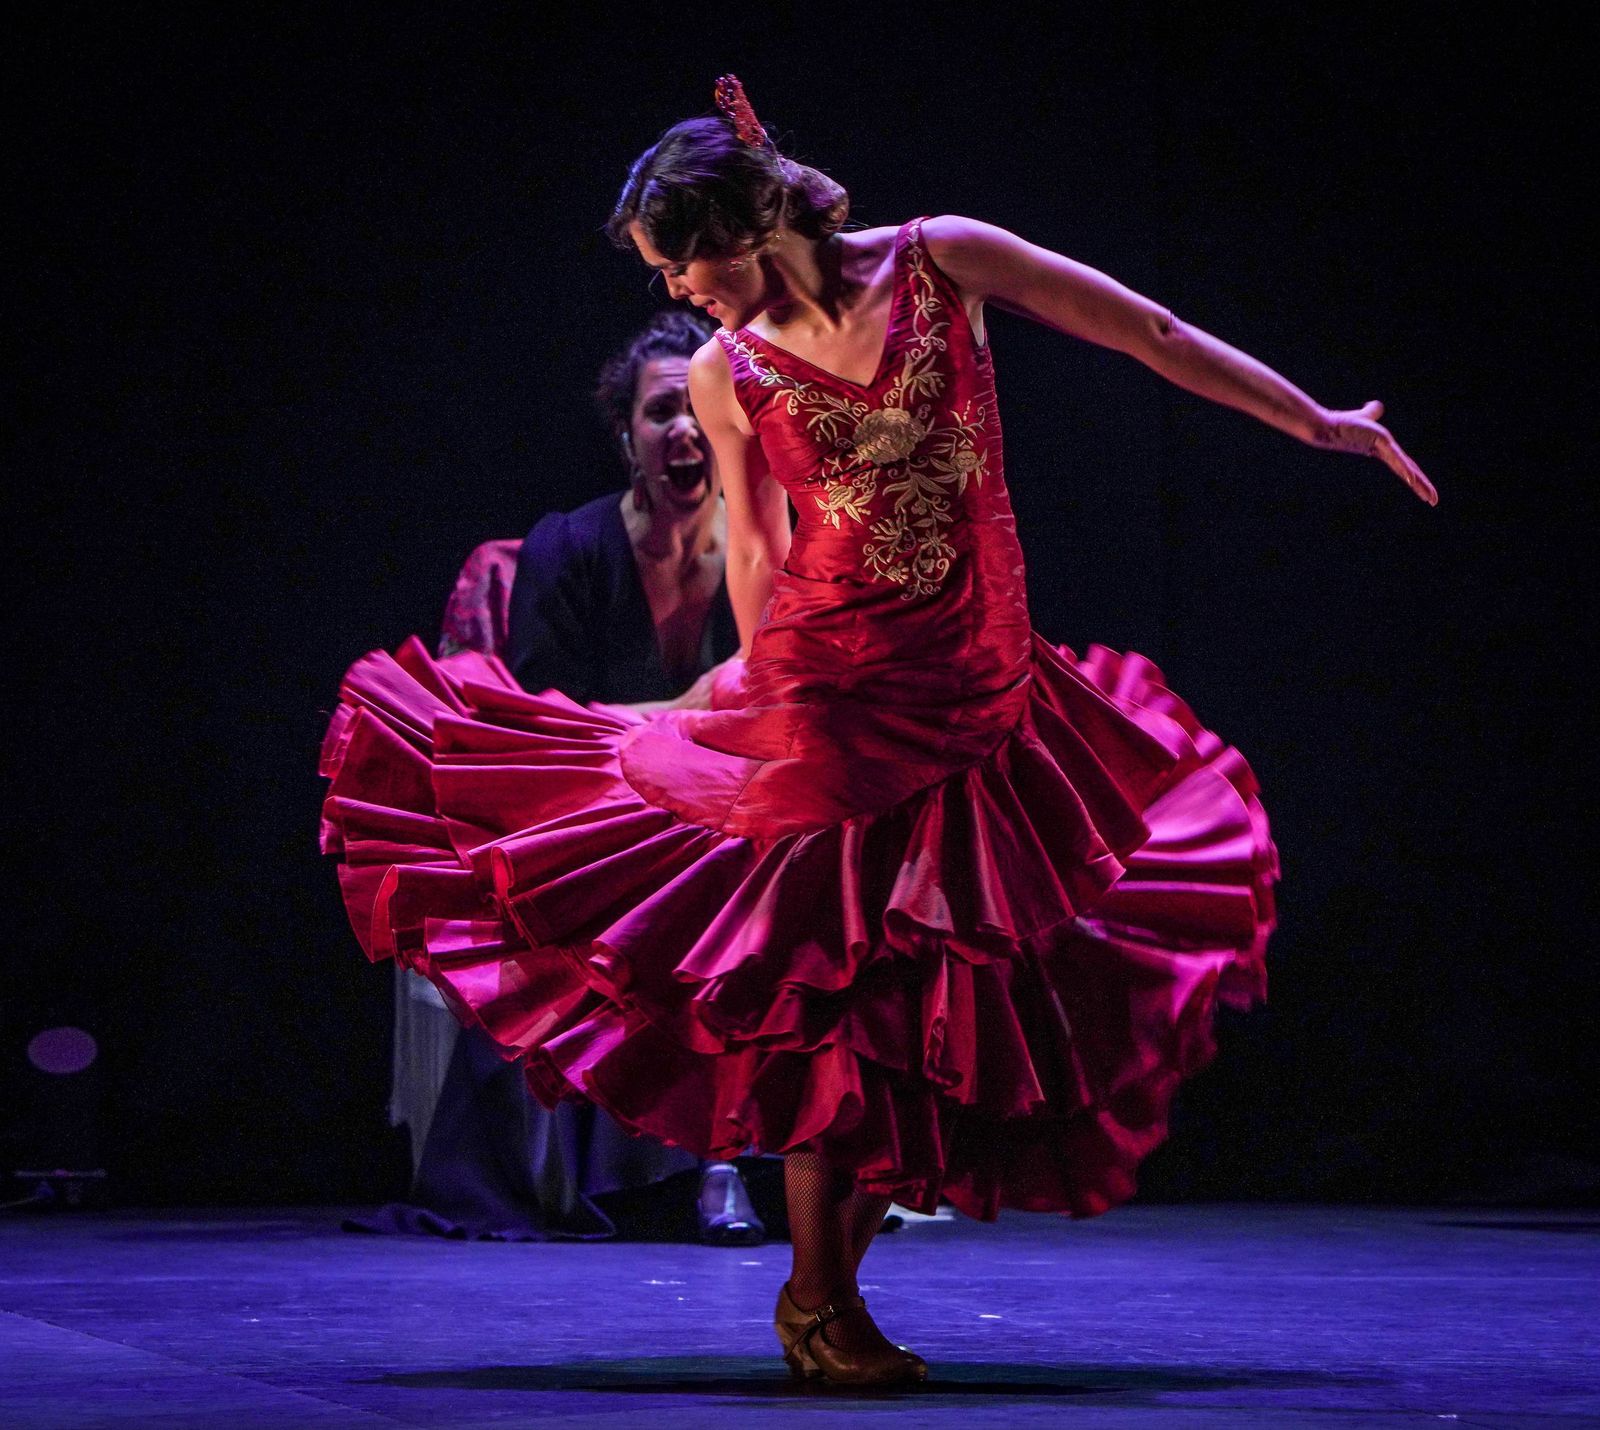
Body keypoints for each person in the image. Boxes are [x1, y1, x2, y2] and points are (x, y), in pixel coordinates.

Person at [319, 76, 1435, 1386]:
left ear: (744, 231)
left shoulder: (941, 258)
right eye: (664, 273)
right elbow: (756, 548)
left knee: (947, 999)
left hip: (982, 686)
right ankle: (816, 1298)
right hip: (842, 696)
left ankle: (826, 1291)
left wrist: (1316, 419)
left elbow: (1148, 328)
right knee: (838, 1004)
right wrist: (762, 689)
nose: (677, 291)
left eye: (682, 262)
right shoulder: (727, 371)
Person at [366, 311, 768, 1245]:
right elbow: (548, 727)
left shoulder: (763, 543)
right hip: (598, 802)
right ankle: (630, 1173)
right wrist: (690, 708)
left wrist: (707, 726)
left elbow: (777, 706)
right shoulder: (568, 547)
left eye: (703, 409)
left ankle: (723, 1168)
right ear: (626, 435)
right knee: (583, 905)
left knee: (763, 884)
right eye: (662, 410)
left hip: (729, 806)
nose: (685, 430)